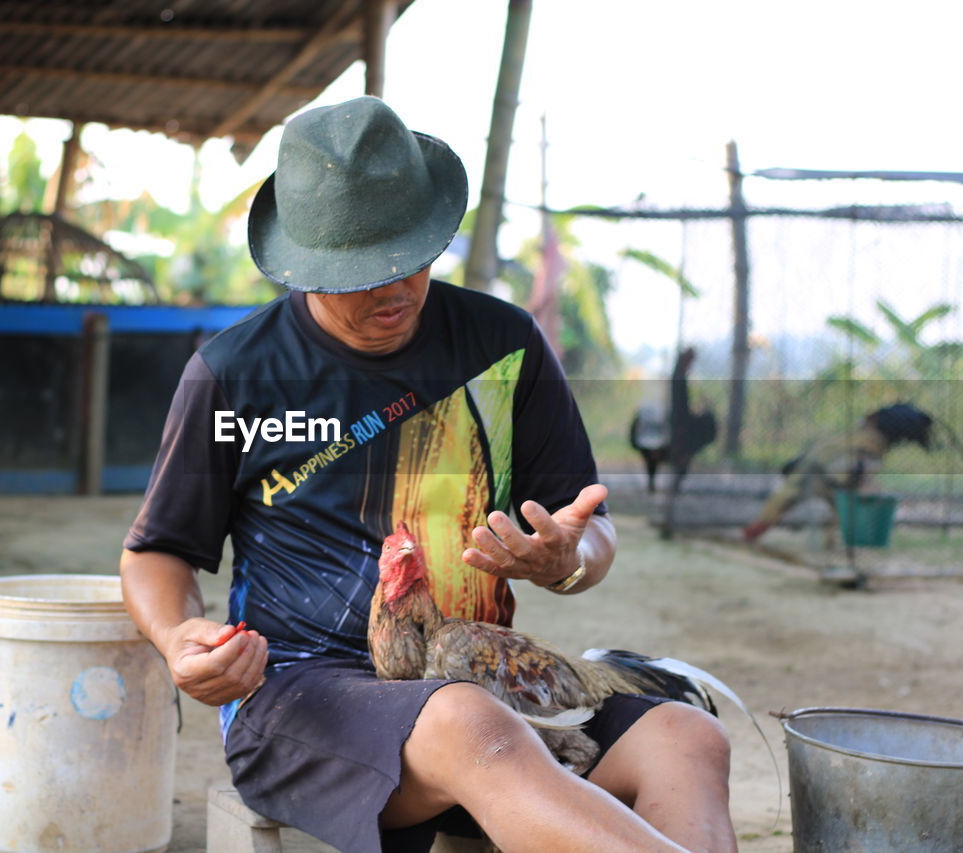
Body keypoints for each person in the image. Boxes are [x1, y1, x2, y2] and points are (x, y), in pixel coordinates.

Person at [121, 96, 735, 853]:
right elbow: (156, 551)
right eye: (361, 271)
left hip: (485, 682)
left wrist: (569, 557)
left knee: (686, 736)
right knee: (465, 721)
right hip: (302, 696)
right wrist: (182, 632)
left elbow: (590, 524)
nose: (397, 287)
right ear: (304, 261)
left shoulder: (502, 345)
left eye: (412, 254)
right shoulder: (233, 374)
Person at [743, 402, 936, 542]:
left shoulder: (866, 438)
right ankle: (751, 536)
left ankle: (835, 545)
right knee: (778, 508)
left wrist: (861, 482)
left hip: (823, 476)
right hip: (819, 475)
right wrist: (862, 484)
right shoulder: (866, 439)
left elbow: (859, 466)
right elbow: (856, 466)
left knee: (783, 506)